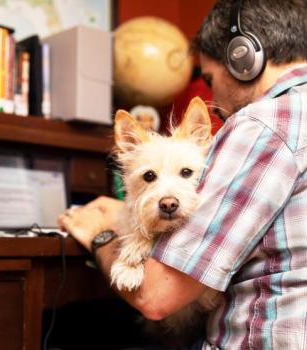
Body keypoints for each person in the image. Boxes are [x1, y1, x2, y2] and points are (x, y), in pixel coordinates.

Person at [58, 0, 307, 348]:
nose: (214, 100)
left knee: (74, 328)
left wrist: (100, 233)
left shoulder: (263, 125)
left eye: (208, 79)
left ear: (244, 55)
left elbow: (156, 297)